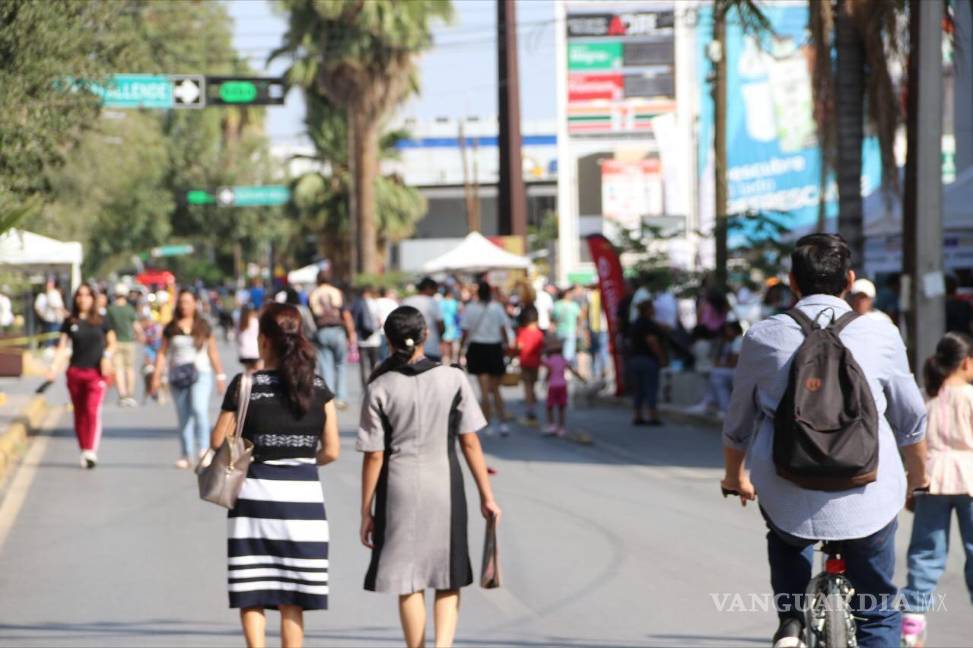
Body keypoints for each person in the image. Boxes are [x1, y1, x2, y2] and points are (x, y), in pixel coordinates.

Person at [721, 233, 929, 647]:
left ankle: (791, 624)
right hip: (867, 490)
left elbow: (739, 422)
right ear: (849, 280)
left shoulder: (762, 336)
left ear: (792, 282)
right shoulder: (881, 334)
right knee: (878, 609)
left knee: (785, 536)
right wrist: (916, 478)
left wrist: (734, 477)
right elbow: (911, 420)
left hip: (786, 487)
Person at [358, 306, 501, 648]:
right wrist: (487, 495)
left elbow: (375, 454)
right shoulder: (453, 379)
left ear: (388, 341)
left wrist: (366, 510)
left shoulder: (380, 386)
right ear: (425, 336)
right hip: (445, 487)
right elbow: (469, 441)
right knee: (447, 574)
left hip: (397, 488)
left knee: (409, 580)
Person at [212, 303, 339, 648]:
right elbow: (332, 450)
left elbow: (217, 440)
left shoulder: (246, 385)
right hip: (304, 504)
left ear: (264, 340)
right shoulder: (316, 386)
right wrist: (298, 457)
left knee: (252, 591)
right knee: (292, 598)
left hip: (252, 501)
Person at [899, 332, 973, 646]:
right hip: (970, 479)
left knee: (926, 552)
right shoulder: (970, 396)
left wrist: (910, 480)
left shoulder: (924, 396)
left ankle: (912, 622)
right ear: (967, 363)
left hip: (931, 479)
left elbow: (911, 442)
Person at [151, 290, 228, 469]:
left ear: (195, 304)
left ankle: (203, 449)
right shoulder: (171, 327)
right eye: (182, 302)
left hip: (200, 373)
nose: (184, 306)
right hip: (177, 375)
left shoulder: (203, 326)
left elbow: (213, 352)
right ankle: (186, 454)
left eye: (188, 302)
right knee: (184, 415)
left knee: (199, 409)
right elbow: (162, 353)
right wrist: (156, 375)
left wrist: (220, 376)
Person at [44, 283, 117, 469]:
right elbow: (62, 347)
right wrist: (54, 367)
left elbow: (112, 343)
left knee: (92, 410)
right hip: (75, 372)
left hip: (96, 374)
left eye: (87, 295)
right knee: (79, 412)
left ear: (93, 298)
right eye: (80, 295)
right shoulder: (70, 321)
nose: (83, 299)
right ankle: (83, 447)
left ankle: (91, 450)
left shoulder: (101, 320)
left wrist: (107, 357)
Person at [460, 281, 512, 436]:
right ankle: (502, 422)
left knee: (483, 390)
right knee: (496, 389)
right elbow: (504, 329)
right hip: (494, 348)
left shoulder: (470, 308)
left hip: (477, 348)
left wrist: (461, 349)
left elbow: (465, 331)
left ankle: (487, 423)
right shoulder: (496, 307)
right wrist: (506, 346)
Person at [309, 269, 356, 409]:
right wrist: (351, 333)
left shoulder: (313, 294)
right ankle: (341, 398)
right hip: (337, 331)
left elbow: (310, 316)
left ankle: (328, 397)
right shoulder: (337, 292)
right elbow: (345, 314)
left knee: (325, 366)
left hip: (321, 331)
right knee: (341, 364)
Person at [690, 321, 743, 415]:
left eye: (729, 330)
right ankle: (710, 402)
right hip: (730, 370)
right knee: (714, 374)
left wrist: (719, 365)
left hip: (737, 371)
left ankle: (721, 407)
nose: (727, 332)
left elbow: (734, 362)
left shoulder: (738, 340)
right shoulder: (727, 341)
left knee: (716, 375)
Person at [627, 300, 667, 426]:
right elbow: (652, 341)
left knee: (638, 389)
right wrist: (661, 357)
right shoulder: (649, 324)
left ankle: (637, 414)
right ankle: (653, 415)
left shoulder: (635, 324)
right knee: (651, 388)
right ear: (648, 310)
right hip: (647, 359)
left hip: (635, 359)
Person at [542, 337, 586, 437]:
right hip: (562, 385)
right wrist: (582, 379)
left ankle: (552, 425)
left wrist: (544, 381)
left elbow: (548, 372)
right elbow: (573, 370)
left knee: (550, 406)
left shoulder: (550, 360)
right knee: (561, 407)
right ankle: (561, 427)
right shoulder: (563, 359)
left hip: (553, 386)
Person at [105, 284, 141, 407]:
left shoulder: (110, 309)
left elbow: (107, 328)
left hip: (115, 343)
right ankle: (130, 395)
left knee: (119, 370)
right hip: (129, 342)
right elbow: (136, 326)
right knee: (130, 369)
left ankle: (122, 395)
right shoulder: (130, 309)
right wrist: (141, 335)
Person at [513, 306, 544, 425]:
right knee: (533, 383)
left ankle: (529, 407)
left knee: (527, 385)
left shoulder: (523, 332)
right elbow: (542, 348)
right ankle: (532, 404)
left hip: (525, 361)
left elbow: (519, 346)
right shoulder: (539, 333)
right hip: (536, 362)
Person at [403, 277, 445, 362]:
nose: (435, 292)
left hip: (409, 349)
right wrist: (440, 338)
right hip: (431, 347)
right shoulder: (433, 302)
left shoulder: (406, 301)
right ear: (428, 288)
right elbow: (441, 325)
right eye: (435, 289)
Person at [351, 286, 382, 388]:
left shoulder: (357, 304)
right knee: (374, 364)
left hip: (361, 340)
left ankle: (365, 388)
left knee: (363, 367)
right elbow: (380, 321)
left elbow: (353, 321)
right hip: (374, 339)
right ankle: (375, 385)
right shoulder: (375, 303)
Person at [551, 287, 583, 364]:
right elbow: (580, 317)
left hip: (559, 332)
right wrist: (578, 328)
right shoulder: (573, 305)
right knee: (568, 355)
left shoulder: (557, 305)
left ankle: (562, 369)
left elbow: (552, 318)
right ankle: (565, 370)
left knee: (561, 353)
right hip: (570, 331)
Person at [34, 277, 66, 348]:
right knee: (49, 342)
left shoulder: (53, 293)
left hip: (55, 321)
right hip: (51, 322)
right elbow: (57, 307)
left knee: (53, 342)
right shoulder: (49, 294)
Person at [439, 287, 461, 363]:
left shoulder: (441, 302)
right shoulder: (454, 302)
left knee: (444, 342)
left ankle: (445, 357)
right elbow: (457, 313)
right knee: (451, 342)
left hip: (444, 323)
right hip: (452, 324)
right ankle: (451, 359)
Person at [236, 305, 261, 372]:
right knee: (258, 371)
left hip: (244, 351)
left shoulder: (240, 323)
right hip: (255, 351)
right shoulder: (255, 321)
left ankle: (247, 382)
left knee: (248, 371)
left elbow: (237, 337)